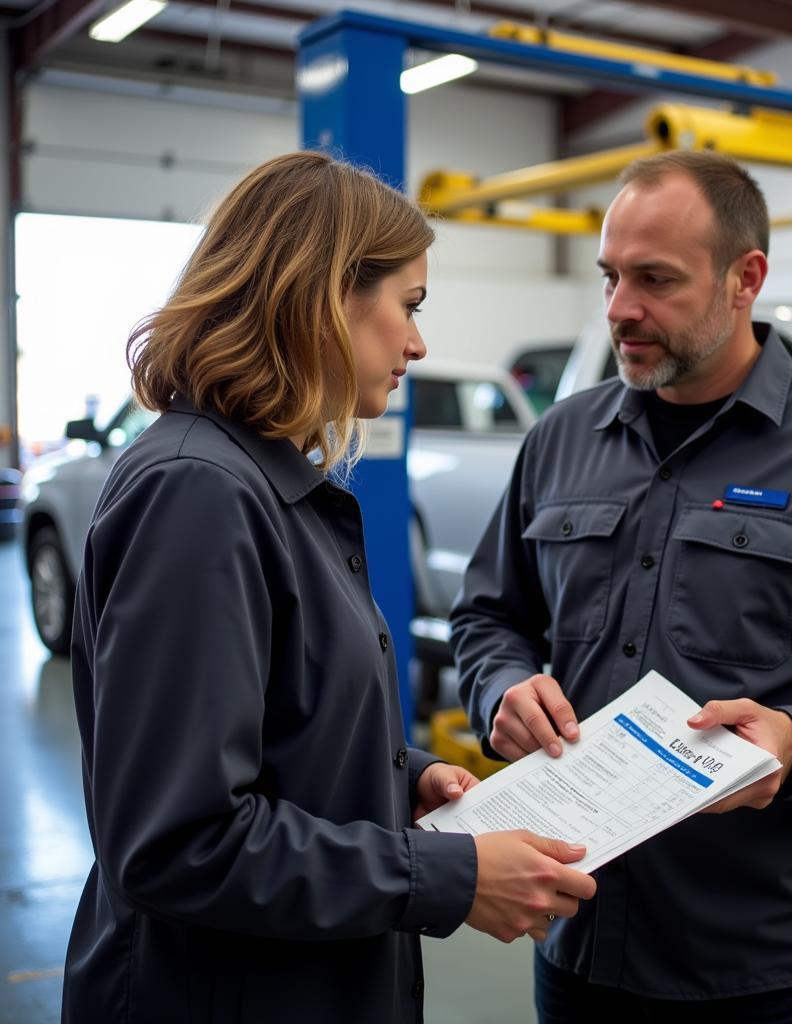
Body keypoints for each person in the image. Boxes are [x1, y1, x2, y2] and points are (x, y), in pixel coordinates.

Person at [61, 152, 596, 1024]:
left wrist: (400, 781)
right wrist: (448, 876)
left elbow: (279, 734)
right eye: (408, 306)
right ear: (322, 294)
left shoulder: (272, 485)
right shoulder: (200, 493)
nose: (417, 343)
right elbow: (178, 842)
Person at [451, 150, 792, 1023]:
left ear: (746, 279)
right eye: (611, 276)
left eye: (655, 280)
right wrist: (502, 685)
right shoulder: (559, 440)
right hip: (575, 943)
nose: (622, 309)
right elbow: (488, 615)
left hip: (759, 974)